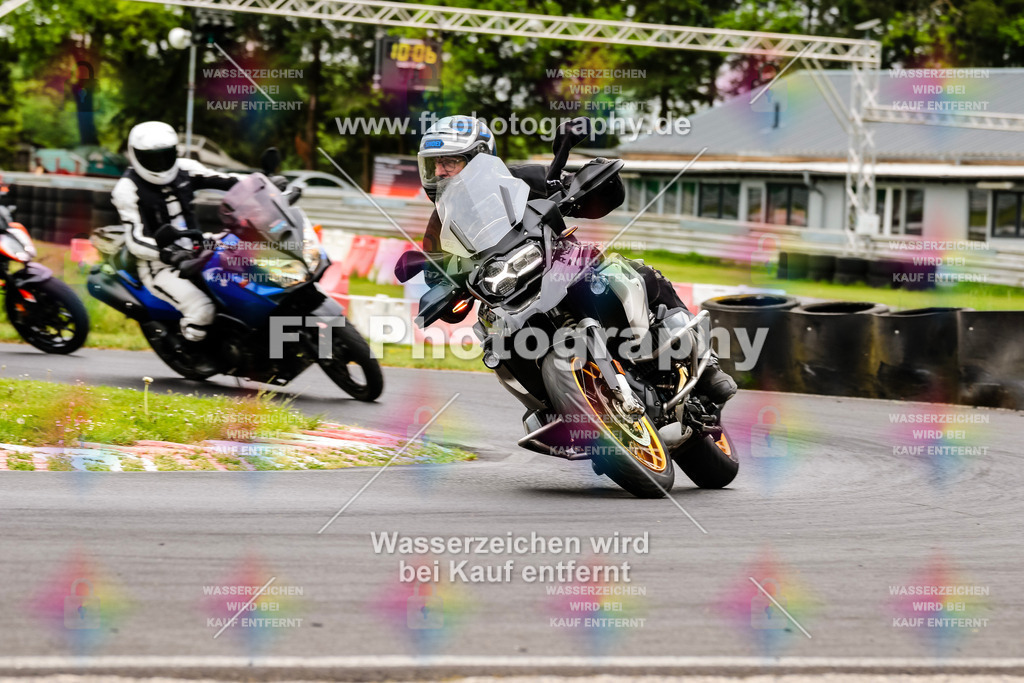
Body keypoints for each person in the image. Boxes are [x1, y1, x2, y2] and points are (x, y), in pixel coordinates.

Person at [414, 115, 737, 406]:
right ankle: (551, 407)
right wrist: (444, 292)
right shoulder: (438, 227)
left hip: (563, 267)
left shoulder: (520, 179)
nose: (440, 172)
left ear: (479, 159)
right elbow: (438, 277)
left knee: (635, 272)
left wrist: (582, 187)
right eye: (434, 165)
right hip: (507, 301)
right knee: (492, 342)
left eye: (450, 162)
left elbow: (587, 194)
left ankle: (706, 367)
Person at [111, 121, 238, 371]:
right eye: (151, 158)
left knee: (245, 286)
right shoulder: (126, 189)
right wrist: (168, 254)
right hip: (160, 265)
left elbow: (228, 179)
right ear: (135, 155)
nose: (160, 164)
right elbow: (134, 239)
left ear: (175, 152)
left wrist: (265, 182)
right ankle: (190, 350)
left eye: (165, 156)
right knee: (202, 310)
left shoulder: (186, 169)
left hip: (200, 249)